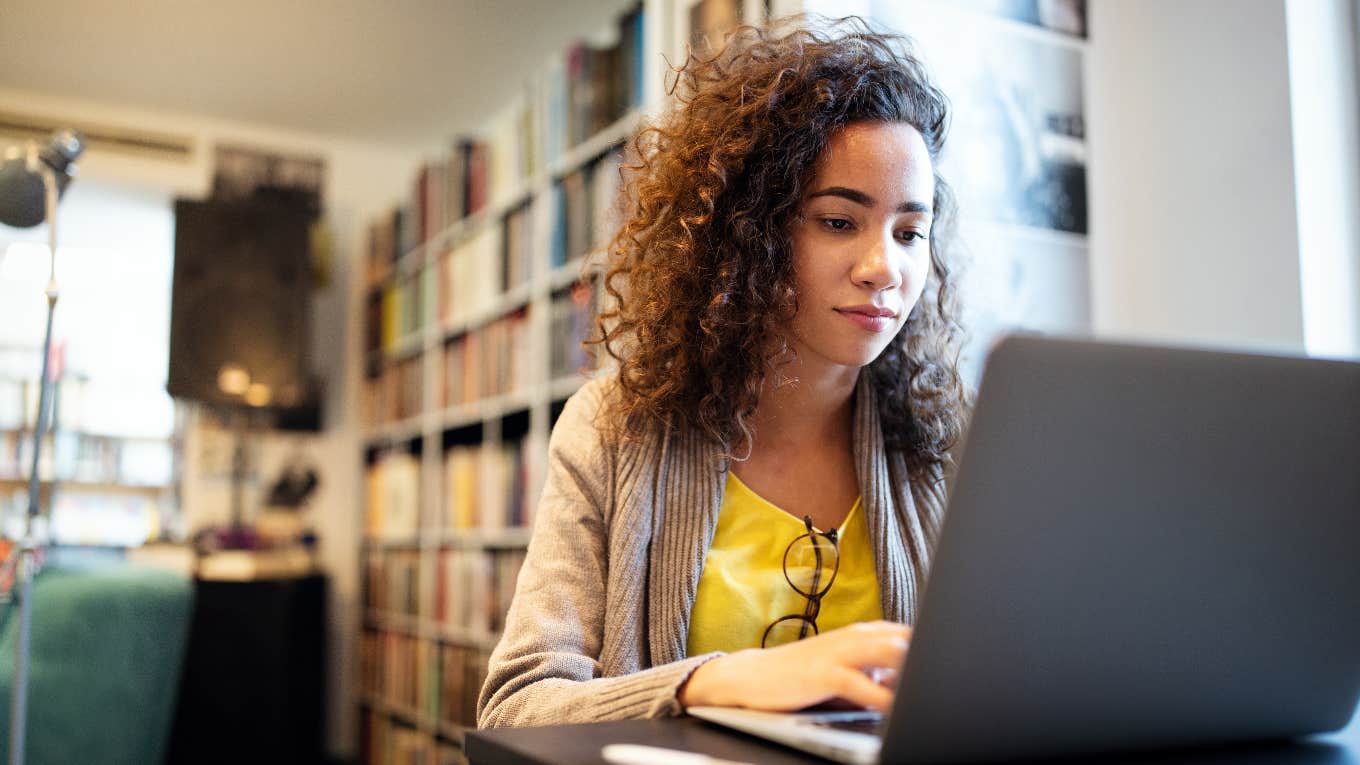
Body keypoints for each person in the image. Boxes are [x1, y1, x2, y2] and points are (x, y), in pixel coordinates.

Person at [477, 15, 968, 728]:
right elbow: (515, 706)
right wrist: (720, 681)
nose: (884, 269)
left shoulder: (947, 444)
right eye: (838, 221)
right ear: (751, 231)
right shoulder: (613, 426)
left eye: (909, 233)